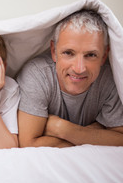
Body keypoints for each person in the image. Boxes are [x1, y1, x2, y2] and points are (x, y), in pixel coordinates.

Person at [17, 9, 123, 148]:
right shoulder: (38, 75)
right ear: (54, 51)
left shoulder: (111, 79)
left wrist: (63, 129)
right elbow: (28, 143)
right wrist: (95, 134)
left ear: (104, 56)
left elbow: (120, 138)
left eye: (91, 55)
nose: (79, 69)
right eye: (68, 53)